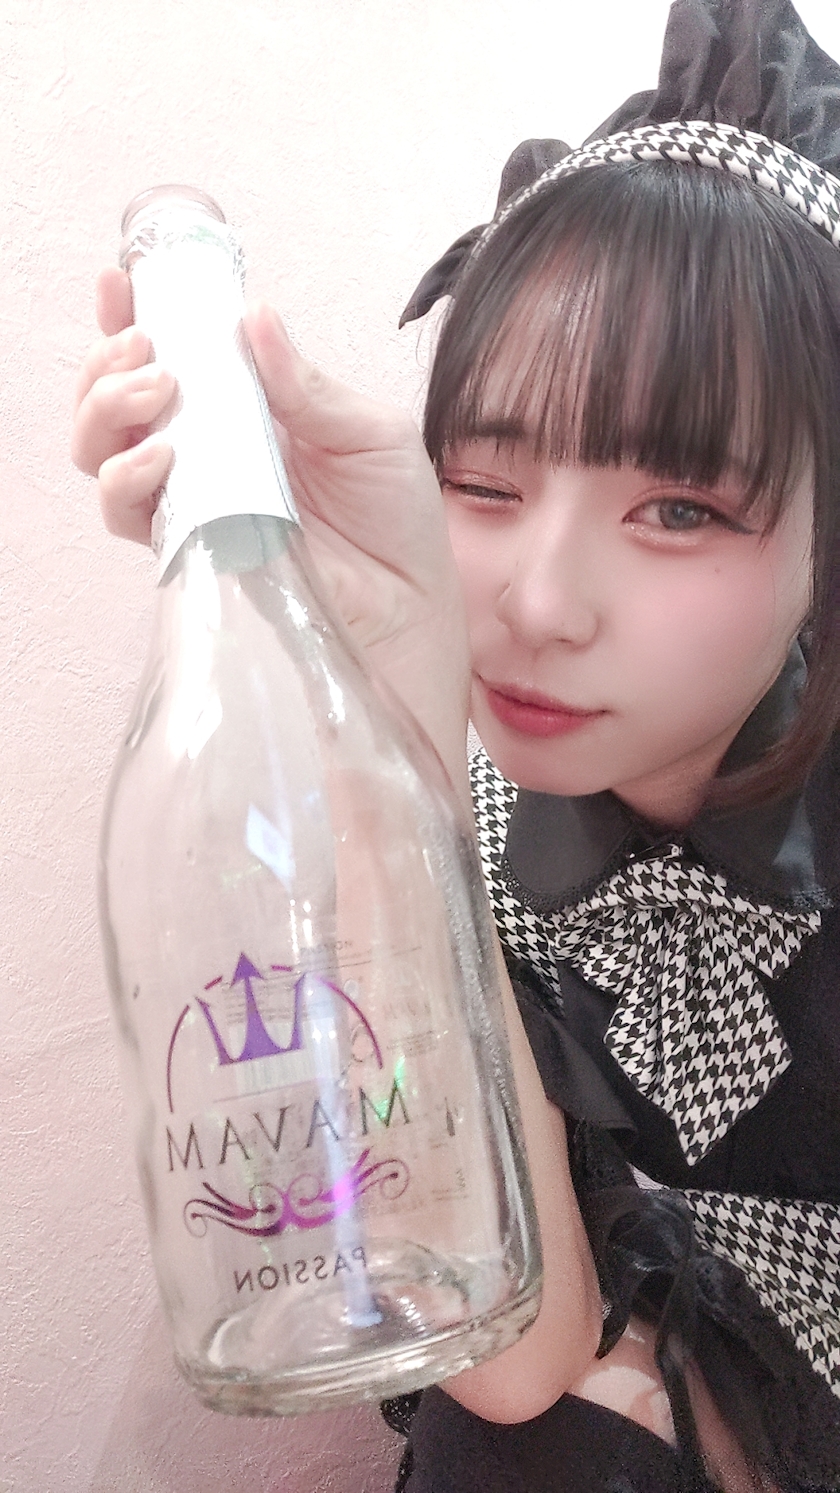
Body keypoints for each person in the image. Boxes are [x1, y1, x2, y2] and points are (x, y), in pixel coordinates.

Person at [72, 1, 840, 1487]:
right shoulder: (483, 814)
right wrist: (388, 710)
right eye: (484, 483)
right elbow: (505, 1355)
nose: (538, 606)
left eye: (680, 509)